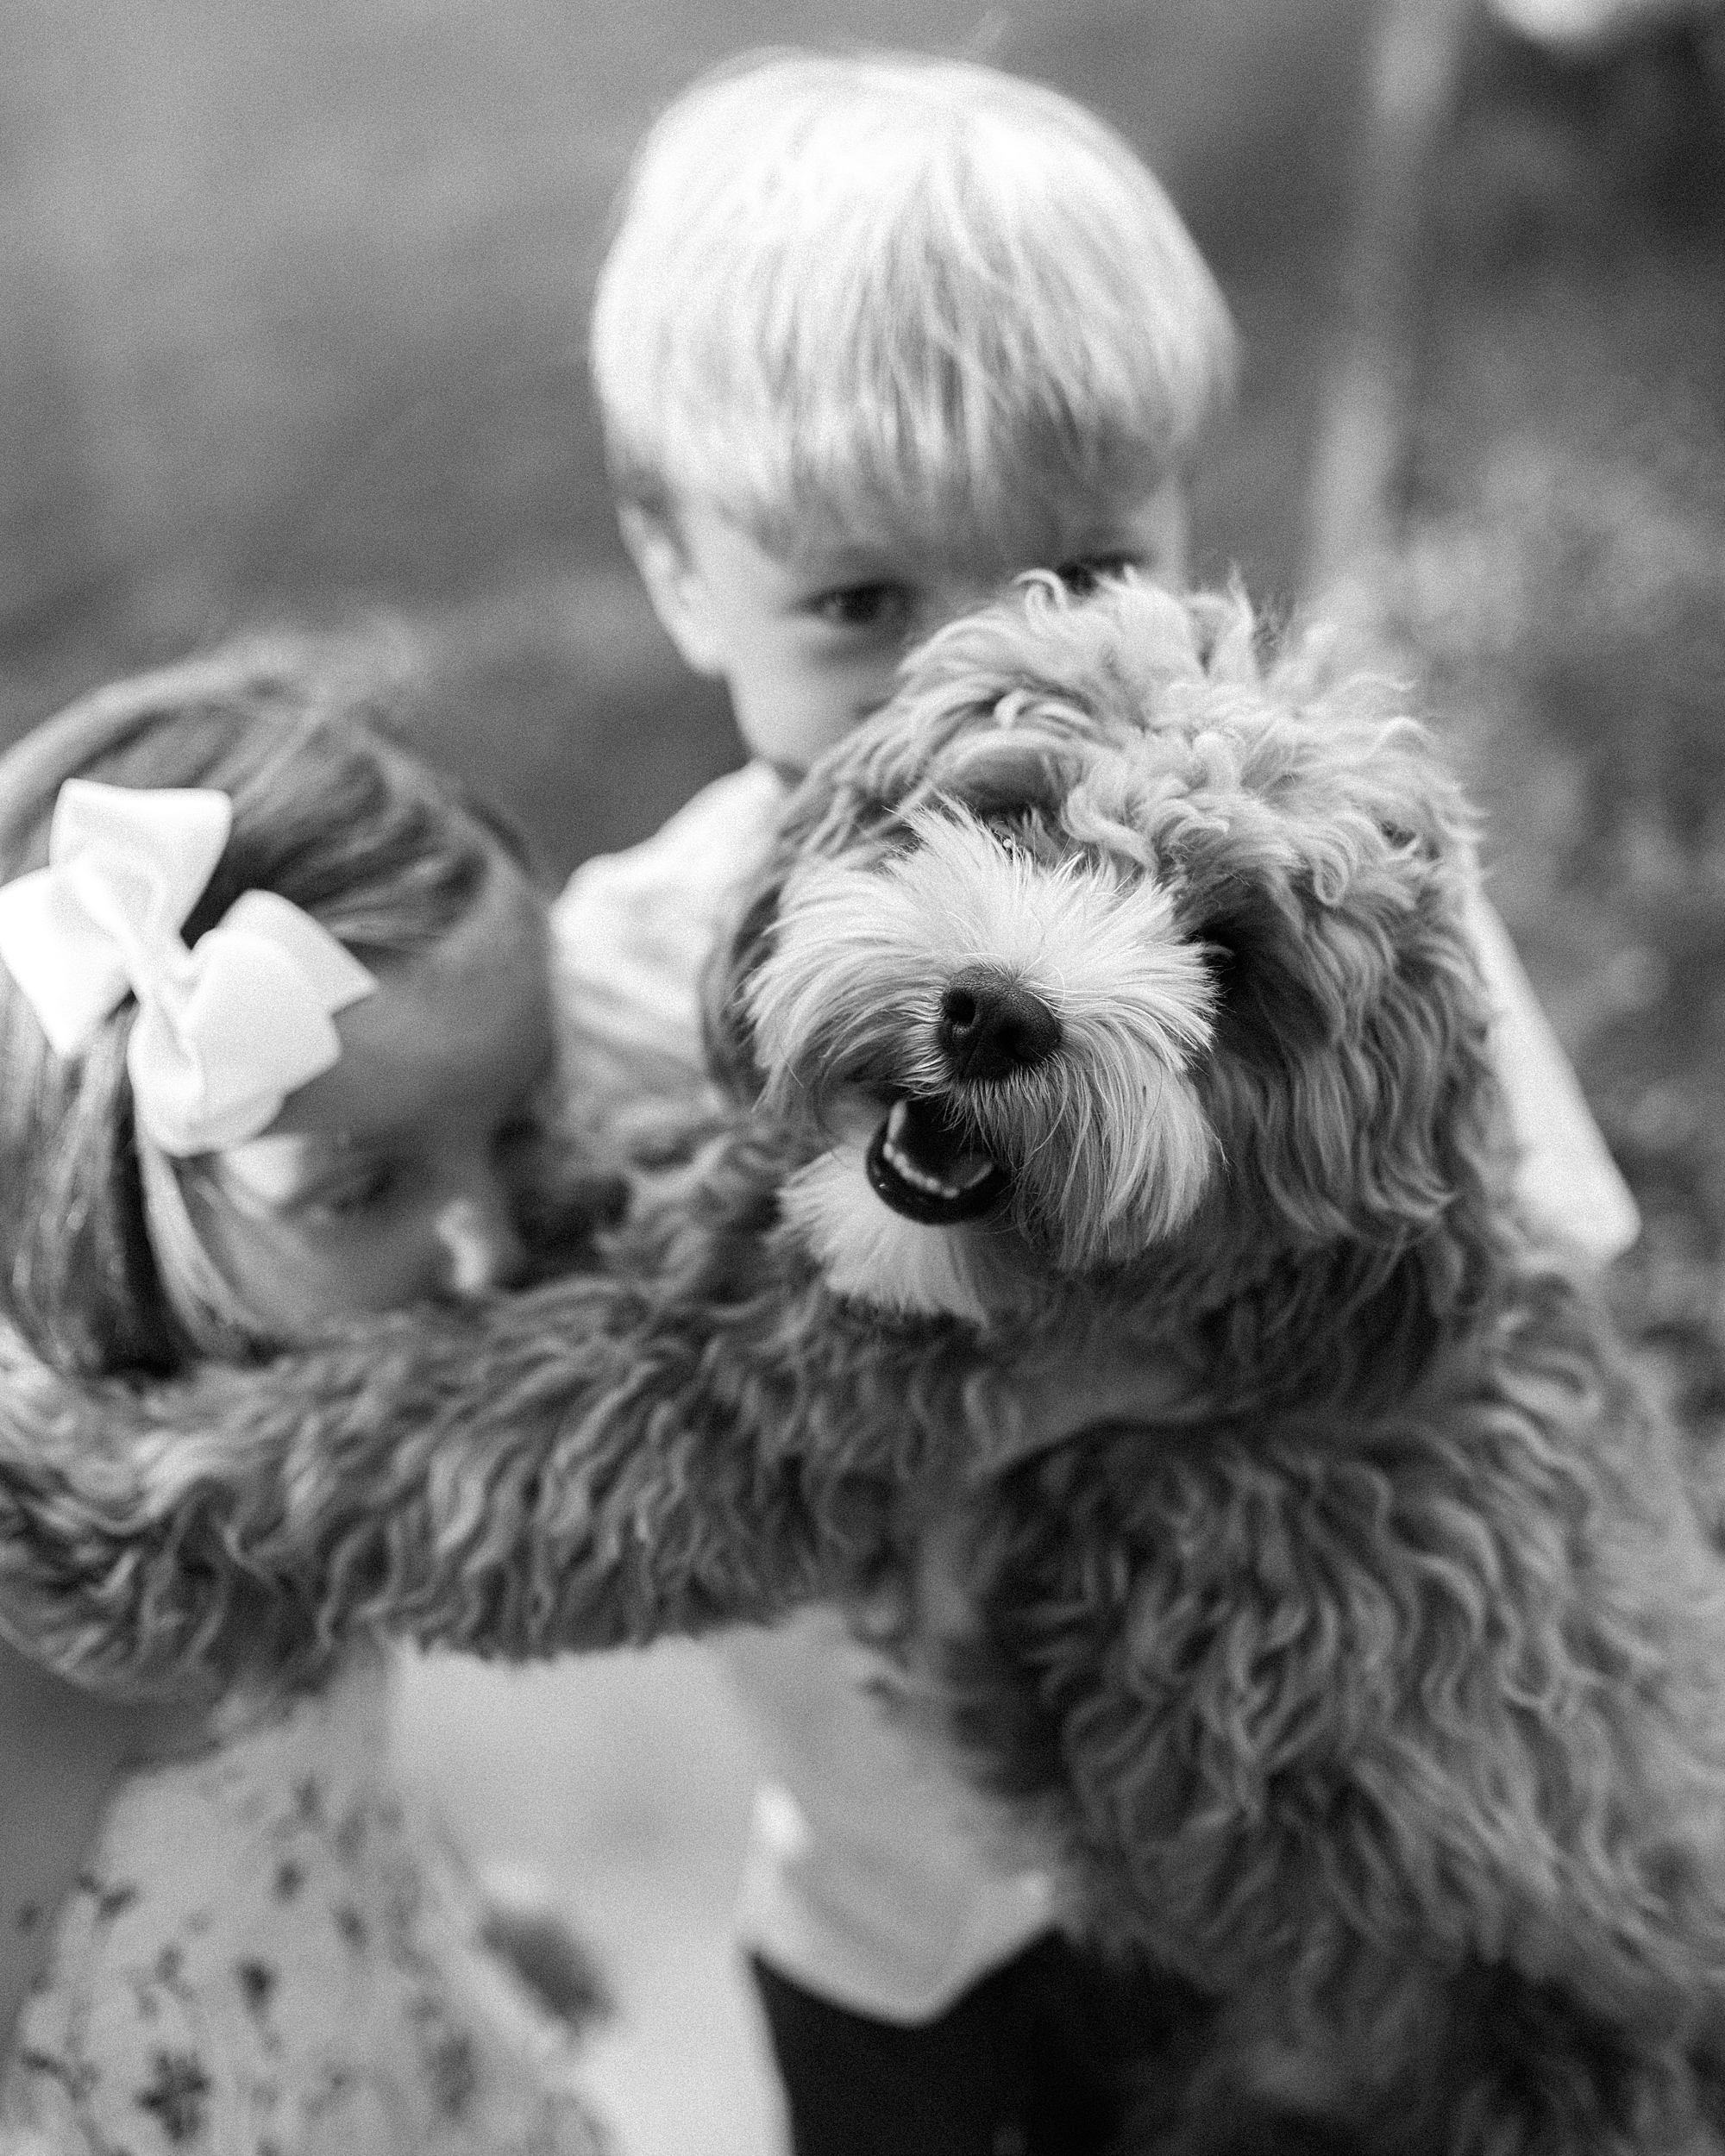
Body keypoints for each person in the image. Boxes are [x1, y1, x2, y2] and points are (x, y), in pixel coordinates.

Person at [560, 47, 1645, 2156]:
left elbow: (1532, 1272)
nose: (983, 669)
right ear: (680, 570)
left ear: (1175, 518)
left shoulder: (1336, 897)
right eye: (860, 602)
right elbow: (626, 1407)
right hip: (894, 1926)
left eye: (1072, 562)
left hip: (1287, 1875)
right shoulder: (623, 964)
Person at [0, 641, 611, 2156]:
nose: (488, 1248)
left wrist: (446, 1905)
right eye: (361, 1190)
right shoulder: (49, 1621)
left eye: (518, 1127)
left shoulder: (297, 1447)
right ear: (105, 1196)